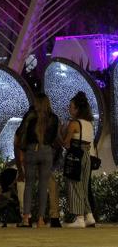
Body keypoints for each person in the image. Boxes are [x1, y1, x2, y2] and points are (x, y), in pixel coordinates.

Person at [16, 94, 59, 227]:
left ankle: (26, 218)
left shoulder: (30, 116)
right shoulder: (54, 118)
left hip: (31, 150)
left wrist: (21, 151)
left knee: (29, 185)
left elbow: (20, 133)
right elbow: (54, 139)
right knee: (43, 186)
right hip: (46, 151)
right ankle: (41, 219)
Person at [62, 91, 96, 228]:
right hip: (87, 156)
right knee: (83, 186)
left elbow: (66, 142)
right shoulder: (89, 123)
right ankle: (89, 216)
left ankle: (79, 218)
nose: (69, 109)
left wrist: (61, 132)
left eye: (71, 106)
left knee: (75, 185)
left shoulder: (74, 123)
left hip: (76, 156)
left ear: (77, 109)